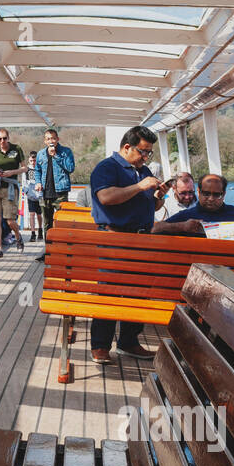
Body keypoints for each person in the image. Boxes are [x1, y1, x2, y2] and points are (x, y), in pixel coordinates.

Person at [86, 126, 169, 363]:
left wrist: (159, 197)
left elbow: (150, 208)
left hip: (142, 238)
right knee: (109, 293)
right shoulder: (107, 168)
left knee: (138, 293)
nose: (146, 157)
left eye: (149, 153)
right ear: (126, 147)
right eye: (143, 152)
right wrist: (140, 187)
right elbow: (106, 198)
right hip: (114, 238)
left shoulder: (142, 171)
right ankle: (101, 345)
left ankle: (129, 342)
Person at [32, 128, 76, 261]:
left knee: (63, 223)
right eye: (48, 139)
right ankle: (49, 251)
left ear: (58, 139)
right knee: (47, 224)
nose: (51, 141)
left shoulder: (65, 152)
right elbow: (37, 171)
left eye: (53, 138)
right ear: (45, 141)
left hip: (60, 192)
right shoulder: (40, 154)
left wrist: (56, 156)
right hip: (45, 193)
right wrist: (38, 182)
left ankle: (64, 251)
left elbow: (70, 168)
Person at [0, 128, 26, 258]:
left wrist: (13, 172)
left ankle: (18, 237)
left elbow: (25, 168)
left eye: (4, 138)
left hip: (10, 188)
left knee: (10, 220)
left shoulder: (17, 149)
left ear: (8, 138)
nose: (2, 141)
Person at [162, 173, 234, 232]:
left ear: (224, 194)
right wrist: (182, 226)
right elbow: (156, 228)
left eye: (217, 195)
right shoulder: (186, 216)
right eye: (206, 194)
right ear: (198, 192)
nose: (211, 199)